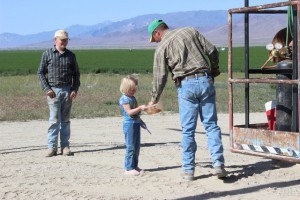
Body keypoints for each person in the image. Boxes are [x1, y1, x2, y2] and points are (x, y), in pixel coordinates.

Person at [147, 19, 227, 180]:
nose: (155, 41)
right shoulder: (190, 31)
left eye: (154, 38)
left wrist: (154, 98)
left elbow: (160, 76)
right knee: (211, 125)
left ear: (157, 33)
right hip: (205, 80)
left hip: (186, 85)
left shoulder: (162, 46)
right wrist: (214, 69)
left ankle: (189, 170)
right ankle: (218, 164)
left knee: (188, 130)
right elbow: (212, 50)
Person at [37, 30, 80, 157]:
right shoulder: (47, 54)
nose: (64, 42)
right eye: (62, 40)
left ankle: (65, 146)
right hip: (53, 92)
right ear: (55, 40)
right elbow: (40, 72)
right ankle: (52, 147)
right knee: (54, 120)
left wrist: (74, 89)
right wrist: (47, 89)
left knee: (65, 120)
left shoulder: (71, 56)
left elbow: (76, 74)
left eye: (66, 40)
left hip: (67, 91)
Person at [119, 75, 148, 176]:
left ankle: (135, 166)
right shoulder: (124, 99)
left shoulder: (133, 98)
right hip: (129, 125)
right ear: (125, 88)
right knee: (130, 147)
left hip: (136, 124)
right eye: (131, 90)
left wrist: (141, 121)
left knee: (136, 147)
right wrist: (140, 108)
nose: (133, 92)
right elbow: (130, 112)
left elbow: (136, 114)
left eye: (134, 89)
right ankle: (128, 168)